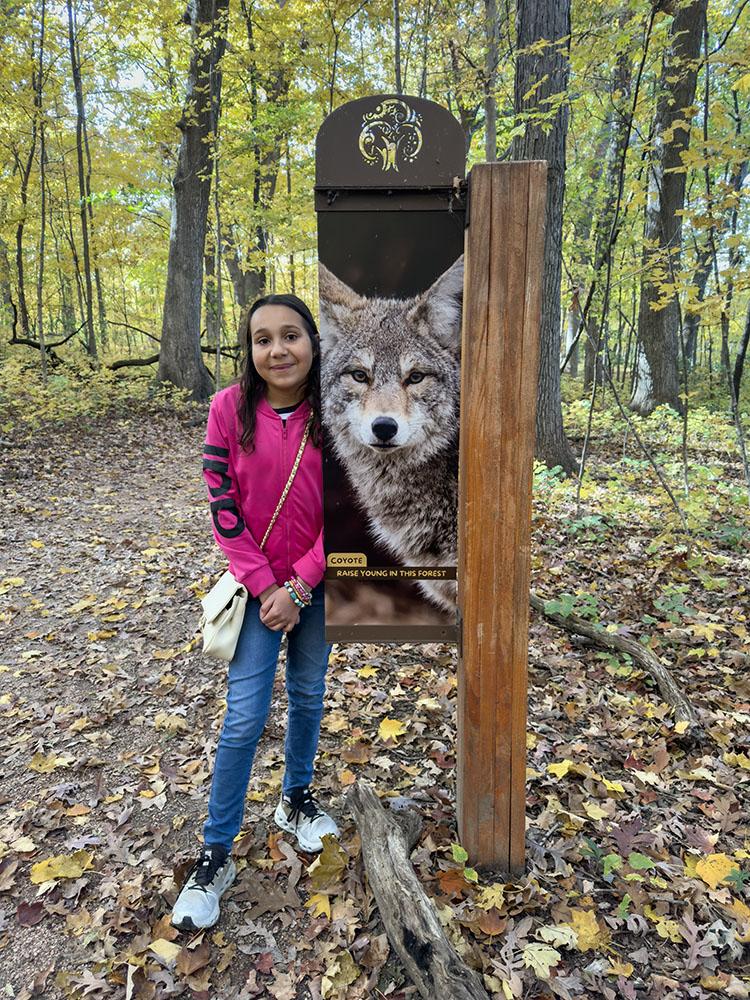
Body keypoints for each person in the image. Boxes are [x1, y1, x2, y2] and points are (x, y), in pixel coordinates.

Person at [172, 294, 338, 932]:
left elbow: (349, 506)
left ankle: (295, 800)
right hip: (252, 588)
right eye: (263, 339)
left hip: (318, 584)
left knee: (308, 693)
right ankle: (215, 853)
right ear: (250, 350)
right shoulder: (225, 410)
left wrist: (301, 586)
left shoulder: (338, 409)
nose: (278, 350)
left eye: (291, 335)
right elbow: (222, 508)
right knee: (243, 717)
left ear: (314, 344)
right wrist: (268, 584)